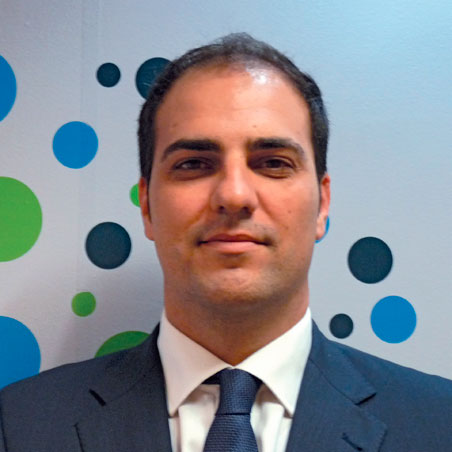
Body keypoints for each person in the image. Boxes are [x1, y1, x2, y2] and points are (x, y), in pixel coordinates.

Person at [1, 33, 451, 452]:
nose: (234, 195)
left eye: (273, 163)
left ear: (322, 204)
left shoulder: (439, 424)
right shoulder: (20, 426)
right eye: (194, 163)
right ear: (147, 206)